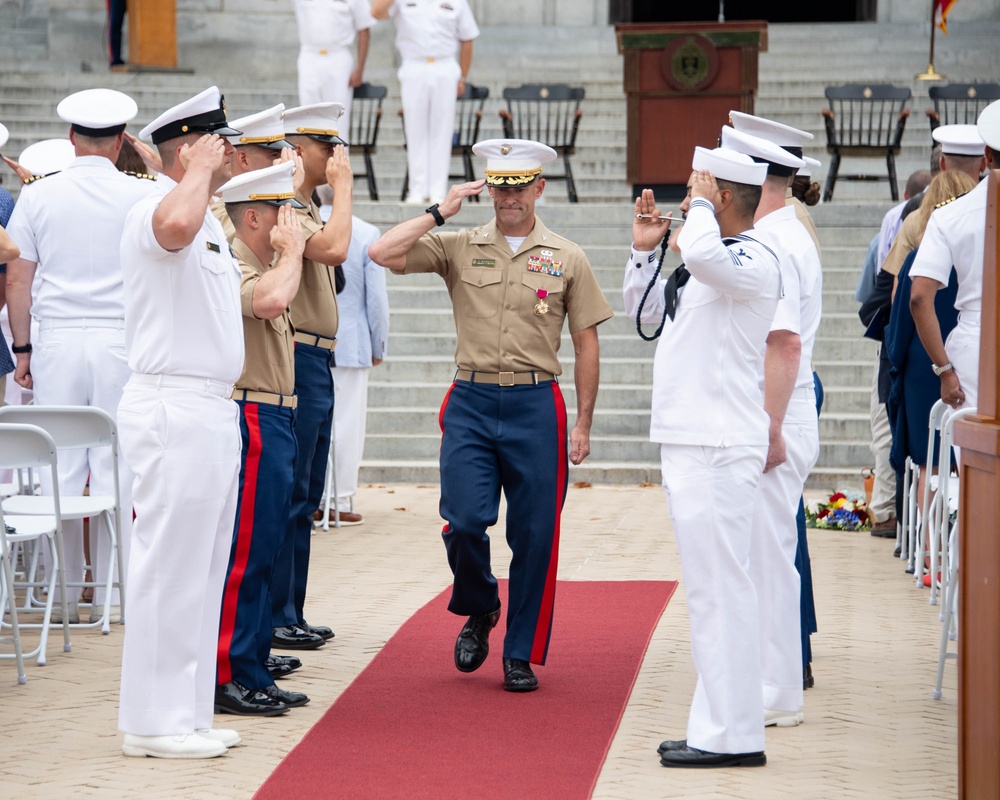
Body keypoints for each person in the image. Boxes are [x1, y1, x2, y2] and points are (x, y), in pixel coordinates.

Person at [368, 138, 612, 692]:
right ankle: (481, 606)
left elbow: (587, 341)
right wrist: (438, 211)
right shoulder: (459, 245)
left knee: (536, 536)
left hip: (535, 405)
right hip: (472, 403)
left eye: (519, 187)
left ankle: (520, 652)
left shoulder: (567, 256)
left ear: (539, 188)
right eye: (499, 187)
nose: (508, 198)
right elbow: (382, 253)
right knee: (463, 520)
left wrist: (584, 421)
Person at [625, 147, 780, 768]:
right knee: (711, 592)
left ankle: (734, 734)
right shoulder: (708, 260)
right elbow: (649, 312)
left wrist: (702, 214)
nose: (686, 200)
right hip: (694, 440)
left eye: (699, 190)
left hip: (718, 444)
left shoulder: (751, 259)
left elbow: (708, 253)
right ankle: (718, 724)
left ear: (724, 199)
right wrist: (643, 249)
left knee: (722, 591)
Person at [116, 86, 244, 759]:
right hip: (172, 406)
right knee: (169, 567)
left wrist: (198, 177)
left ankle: (185, 712)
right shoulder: (154, 207)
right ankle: (151, 721)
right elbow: (171, 229)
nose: (229, 152)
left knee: (201, 569)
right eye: (216, 142)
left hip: (207, 409)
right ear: (189, 147)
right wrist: (192, 171)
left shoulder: (204, 214)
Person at [4, 89, 160, 627]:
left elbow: (18, 279)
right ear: (121, 141)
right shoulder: (144, 193)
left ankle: (63, 596)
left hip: (58, 339)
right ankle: (116, 596)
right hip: (124, 337)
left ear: (71, 138)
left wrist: (22, 350)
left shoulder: (40, 196)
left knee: (60, 467)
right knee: (120, 466)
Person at [721, 124, 819, 731]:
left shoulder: (776, 242)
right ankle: (770, 680)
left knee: (766, 553)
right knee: (765, 552)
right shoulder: (785, 233)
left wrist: (770, 426)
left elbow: (782, 343)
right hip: (777, 407)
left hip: (775, 409)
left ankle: (777, 688)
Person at [214, 160, 313, 717]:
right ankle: (231, 673)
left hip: (276, 416)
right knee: (246, 555)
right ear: (254, 216)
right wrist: (293, 252)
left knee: (265, 550)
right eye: (280, 208)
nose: (289, 220)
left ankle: (252, 667)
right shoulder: (239, 268)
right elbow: (271, 302)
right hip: (252, 415)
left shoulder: (263, 263)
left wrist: (287, 254)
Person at [270, 102, 353, 651]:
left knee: (304, 495)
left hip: (316, 359)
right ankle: (276, 613)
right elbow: (337, 248)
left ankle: (290, 610)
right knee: (289, 492)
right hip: (296, 355)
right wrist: (343, 190)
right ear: (299, 152)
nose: (337, 157)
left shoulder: (304, 206)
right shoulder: (284, 207)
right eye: (328, 148)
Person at [910, 100, 1000, 463]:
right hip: (974, 340)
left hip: (974, 345)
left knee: (978, 470)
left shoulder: (950, 215)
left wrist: (944, 370)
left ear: (987, 156)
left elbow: (919, 298)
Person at [886, 170, 977, 524]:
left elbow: (902, 320)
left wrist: (898, 365)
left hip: (925, 366)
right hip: (971, 359)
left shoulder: (919, 260)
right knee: (970, 458)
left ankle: (931, 555)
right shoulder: (979, 254)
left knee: (931, 460)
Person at [314, 214, 388, 527]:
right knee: (346, 423)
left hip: (310, 336)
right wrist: (378, 342)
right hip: (351, 338)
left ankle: (314, 497)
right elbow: (377, 298)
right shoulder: (365, 231)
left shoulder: (309, 220)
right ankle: (339, 498)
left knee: (315, 422)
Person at [371, 0, 479, 205]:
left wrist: (463, 76)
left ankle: (438, 191)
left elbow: (468, 37)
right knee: (415, 129)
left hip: (444, 65)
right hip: (414, 65)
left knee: (442, 130)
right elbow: (376, 12)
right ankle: (417, 189)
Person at [293, 0, 375, 141]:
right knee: (308, 120)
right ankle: (311, 163)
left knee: (338, 121)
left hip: (338, 58)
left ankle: (339, 162)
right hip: (310, 56)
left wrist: (360, 69)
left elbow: (364, 28)